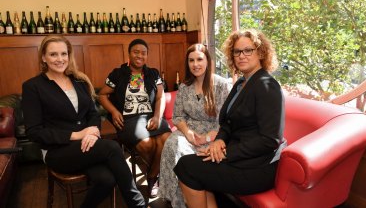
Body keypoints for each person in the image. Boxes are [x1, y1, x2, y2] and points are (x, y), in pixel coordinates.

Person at [21, 35, 146, 208]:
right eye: (53, 54)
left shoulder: (79, 81)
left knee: (106, 180)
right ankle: (138, 204)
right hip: (57, 151)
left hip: (87, 145)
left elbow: (93, 114)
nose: (60, 59)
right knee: (112, 147)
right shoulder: (33, 87)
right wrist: (78, 134)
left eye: (64, 54)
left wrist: (93, 131)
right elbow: (34, 132)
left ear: (69, 55)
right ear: (43, 57)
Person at [173, 29, 287, 208]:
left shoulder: (267, 85)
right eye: (236, 51)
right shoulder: (241, 83)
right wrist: (218, 141)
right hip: (240, 157)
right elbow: (227, 123)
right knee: (190, 164)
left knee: (186, 167)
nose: (241, 56)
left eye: (248, 50)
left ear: (261, 52)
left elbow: (270, 140)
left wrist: (225, 153)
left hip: (258, 167)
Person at [158, 44, 231, 208]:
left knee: (188, 159)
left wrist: (207, 137)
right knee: (172, 145)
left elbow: (226, 121)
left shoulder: (221, 85)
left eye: (199, 59)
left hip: (214, 134)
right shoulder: (185, 86)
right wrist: (187, 132)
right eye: (191, 60)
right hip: (188, 131)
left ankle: (190, 197)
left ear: (207, 61)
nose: (195, 64)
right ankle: (179, 201)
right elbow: (177, 116)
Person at [98, 38, 171, 198]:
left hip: (151, 115)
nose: (139, 56)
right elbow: (102, 95)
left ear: (147, 55)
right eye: (135, 52)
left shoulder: (153, 73)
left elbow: (160, 97)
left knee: (167, 138)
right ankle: (159, 176)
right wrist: (114, 111)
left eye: (143, 53)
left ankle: (152, 176)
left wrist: (158, 116)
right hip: (128, 119)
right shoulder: (118, 74)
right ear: (129, 54)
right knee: (147, 144)